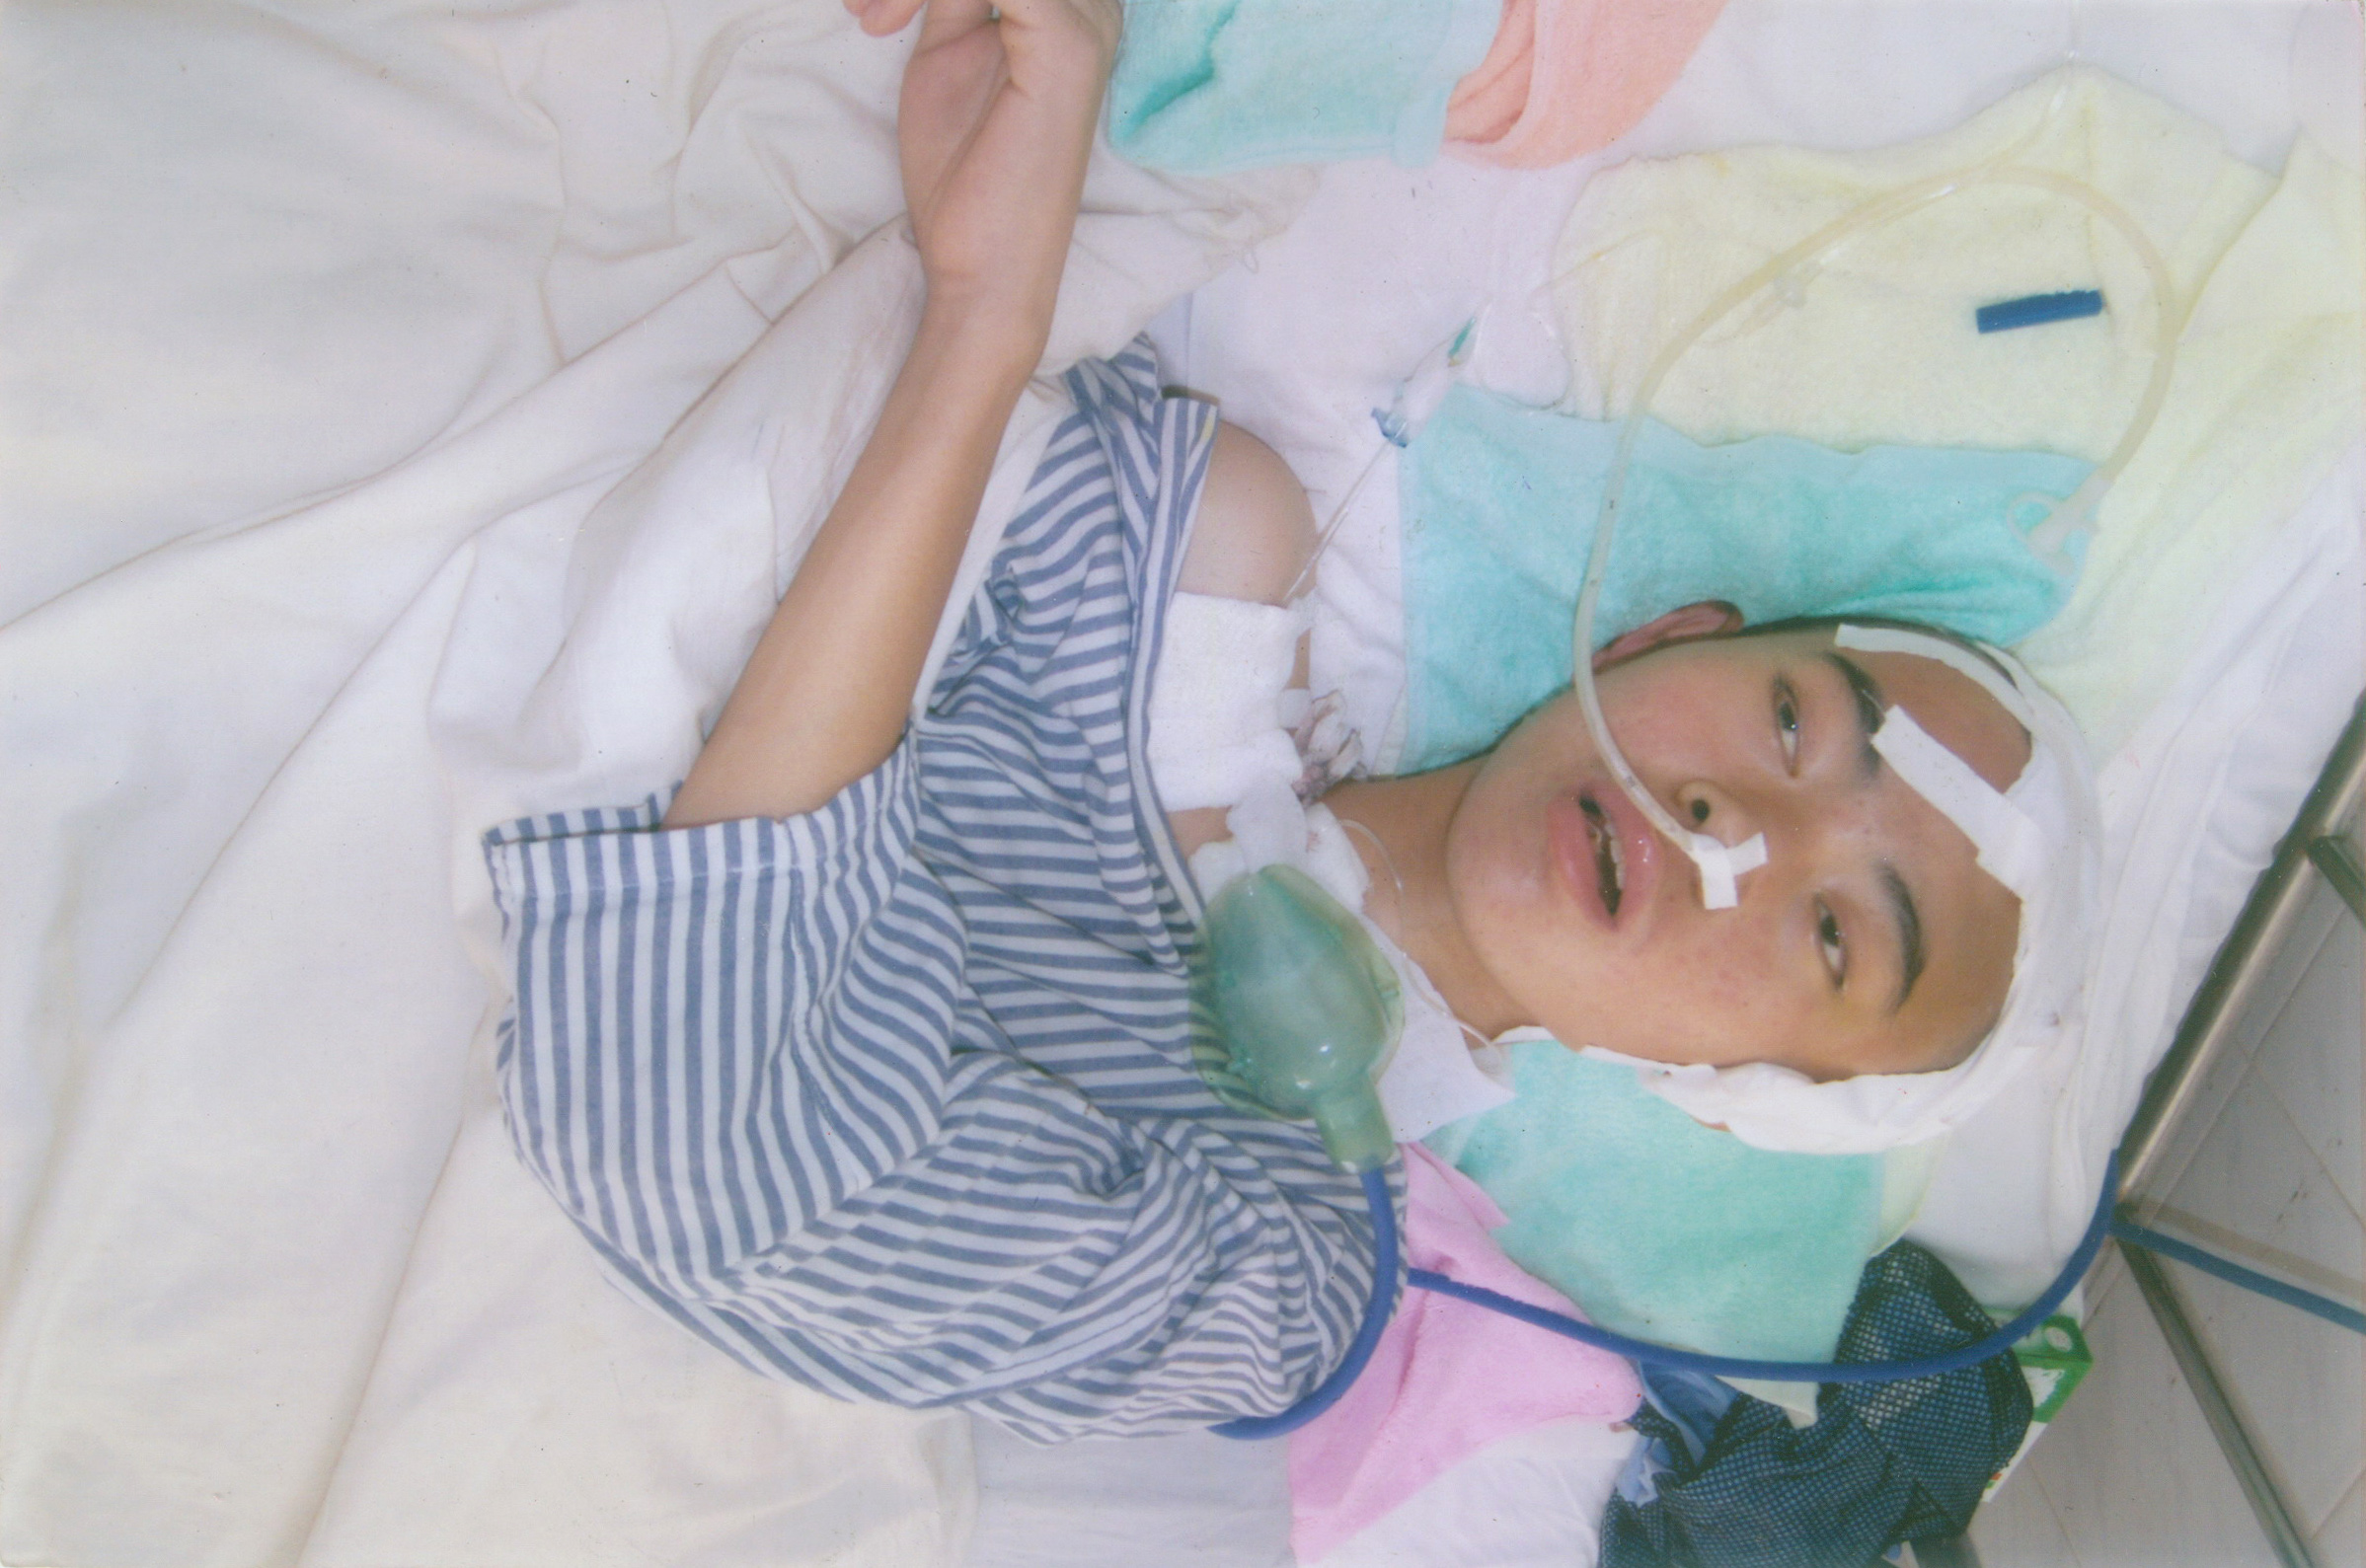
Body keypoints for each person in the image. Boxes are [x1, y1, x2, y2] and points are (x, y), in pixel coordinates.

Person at [482, 0, 2080, 1440]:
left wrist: (982, 320)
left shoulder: (1283, 1265)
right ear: (1661, 638)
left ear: (1729, 1089)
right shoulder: (1193, 548)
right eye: (1791, 727)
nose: (1738, 833)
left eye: (1828, 936)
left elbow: (710, 1158)